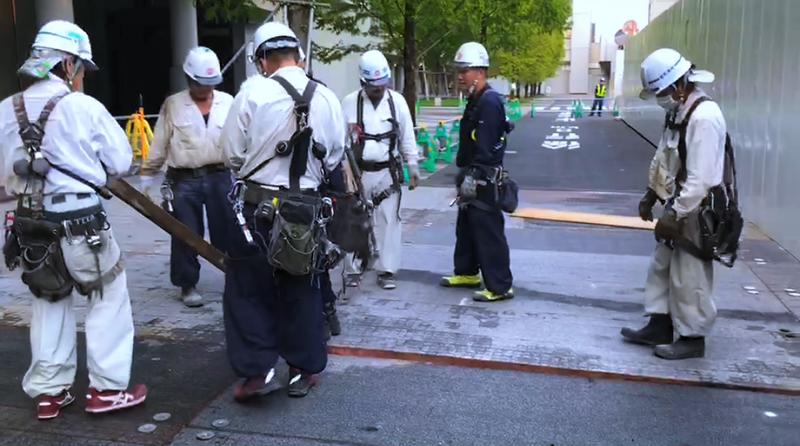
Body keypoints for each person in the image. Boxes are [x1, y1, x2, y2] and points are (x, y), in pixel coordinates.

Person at [0, 20, 146, 420]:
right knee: (106, 296)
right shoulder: (83, 106)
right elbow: (120, 162)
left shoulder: (5, 109)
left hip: (30, 222)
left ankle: (49, 392)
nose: (81, 76)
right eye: (80, 67)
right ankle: (107, 390)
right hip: (82, 221)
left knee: (49, 299)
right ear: (66, 64)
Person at [219, 21, 345, 401]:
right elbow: (335, 154)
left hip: (257, 206)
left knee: (248, 288)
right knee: (301, 285)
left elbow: (231, 153)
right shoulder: (326, 97)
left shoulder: (251, 93)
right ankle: (305, 368)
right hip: (304, 209)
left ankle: (257, 372)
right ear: (299, 55)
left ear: (261, 59)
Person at [621, 48, 725, 360]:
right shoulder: (679, 111)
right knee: (662, 265)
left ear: (679, 84)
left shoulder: (704, 117)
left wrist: (675, 214)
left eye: (660, 91)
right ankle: (659, 324)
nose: (659, 98)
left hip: (698, 208)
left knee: (689, 273)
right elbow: (665, 155)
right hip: (678, 201)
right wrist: (652, 193)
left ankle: (693, 337)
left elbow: (701, 179)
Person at [140, 46, 235, 307]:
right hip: (185, 178)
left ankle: (235, 278)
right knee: (185, 233)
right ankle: (187, 284)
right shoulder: (174, 105)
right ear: (189, 79)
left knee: (227, 228)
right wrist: (148, 176)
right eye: (200, 84)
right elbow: (160, 142)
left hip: (220, 175)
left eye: (210, 84)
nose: (205, 89)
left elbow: (241, 140)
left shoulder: (228, 102)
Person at [439, 42, 514, 302]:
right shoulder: (476, 99)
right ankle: (467, 271)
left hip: (483, 176)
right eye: (458, 70)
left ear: (480, 72)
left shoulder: (490, 102)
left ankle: (500, 285)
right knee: (468, 227)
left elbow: (489, 145)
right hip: (471, 172)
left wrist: (476, 176)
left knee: (488, 230)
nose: (460, 76)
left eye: (465, 70)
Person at [341, 50, 419, 290]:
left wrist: (412, 164)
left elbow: (407, 136)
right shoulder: (349, 103)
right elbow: (340, 141)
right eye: (373, 86)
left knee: (388, 222)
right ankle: (354, 269)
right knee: (354, 221)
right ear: (363, 82)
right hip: (358, 173)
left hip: (387, 172)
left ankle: (386, 270)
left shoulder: (397, 103)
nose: (379, 89)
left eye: (382, 84)